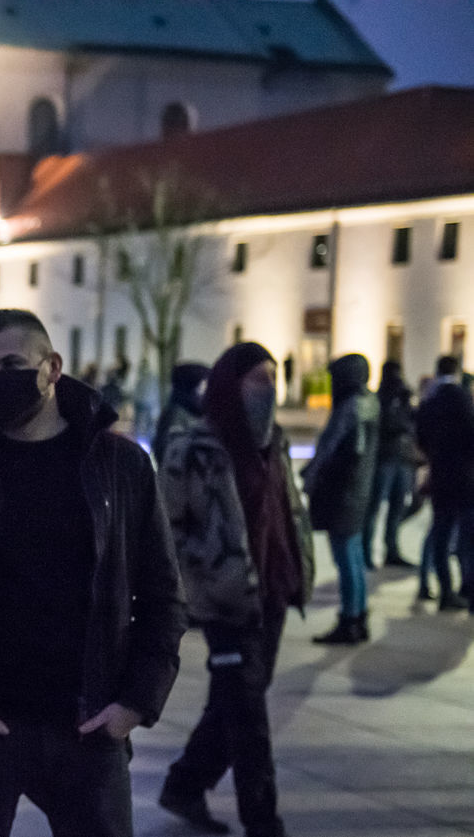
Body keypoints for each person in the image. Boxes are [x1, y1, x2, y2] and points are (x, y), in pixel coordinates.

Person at [0, 309, 185, 837]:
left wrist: (134, 703)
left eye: (12, 364)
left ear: (52, 368)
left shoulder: (119, 468)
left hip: (89, 729)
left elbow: (163, 596)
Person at [157, 342, 313, 837]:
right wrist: (203, 577)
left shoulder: (275, 444)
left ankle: (185, 783)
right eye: (258, 379)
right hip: (227, 602)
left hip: (273, 592)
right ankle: (263, 821)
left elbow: (286, 513)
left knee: (235, 700)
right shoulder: (194, 448)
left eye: (273, 377)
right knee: (249, 714)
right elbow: (165, 526)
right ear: (230, 384)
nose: (270, 388)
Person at [303, 353, 379, 644]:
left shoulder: (351, 408)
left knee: (346, 558)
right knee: (354, 556)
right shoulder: (369, 402)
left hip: (344, 495)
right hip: (357, 492)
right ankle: (357, 616)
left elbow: (341, 451)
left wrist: (316, 476)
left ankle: (349, 619)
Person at [415, 354, 474, 611]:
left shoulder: (431, 402)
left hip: (441, 475)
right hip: (466, 477)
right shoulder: (465, 401)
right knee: (466, 536)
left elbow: (420, 436)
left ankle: (445, 591)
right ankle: (468, 588)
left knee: (440, 532)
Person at [362, 360, 419, 569]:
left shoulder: (402, 396)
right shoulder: (381, 398)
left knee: (397, 506)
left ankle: (391, 550)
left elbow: (412, 423)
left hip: (402, 459)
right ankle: (367, 552)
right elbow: (389, 424)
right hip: (386, 459)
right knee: (375, 507)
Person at [151, 361, 210, 467]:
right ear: (193, 386)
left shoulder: (193, 412)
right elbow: (168, 453)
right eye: (204, 385)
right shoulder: (177, 415)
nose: (207, 391)